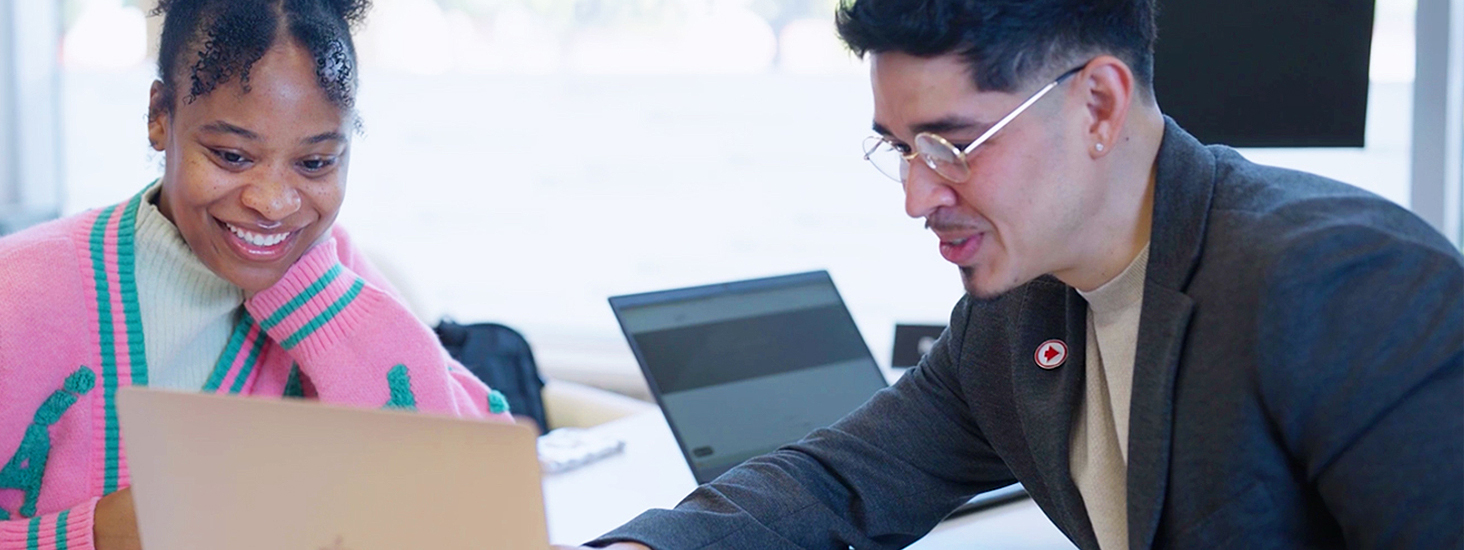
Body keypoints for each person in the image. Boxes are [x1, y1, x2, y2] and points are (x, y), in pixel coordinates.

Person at [569, 0, 1464, 548]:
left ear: (1099, 105)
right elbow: (838, 482)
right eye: (899, 149)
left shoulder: (1341, 284)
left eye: (953, 146)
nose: (918, 195)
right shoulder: (1017, 315)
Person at [0, 0, 512, 548]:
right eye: (231, 155)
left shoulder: (333, 281)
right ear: (160, 117)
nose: (274, 200)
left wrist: (306, 282)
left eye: (316, 164)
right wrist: (93, 534)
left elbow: (481, 509)